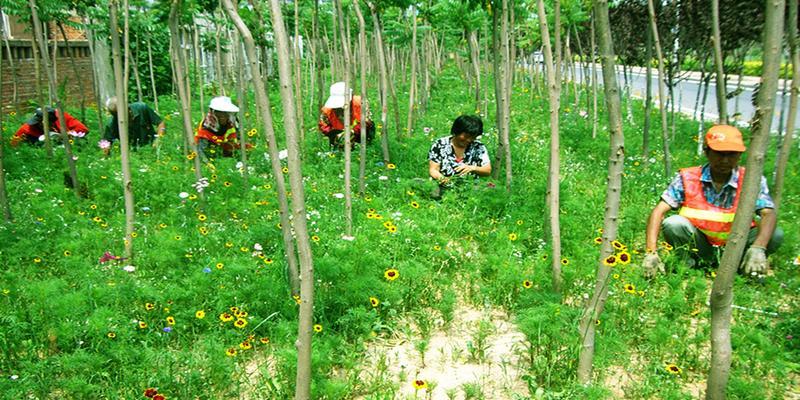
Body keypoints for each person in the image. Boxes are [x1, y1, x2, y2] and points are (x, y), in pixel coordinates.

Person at [643, 125, 783, 278]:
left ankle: (746, 265)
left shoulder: (750, 179)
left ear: (739, 155)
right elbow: (659, 211)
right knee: (674, 224)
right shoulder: (688, 177)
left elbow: (768, 213)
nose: (725, 160)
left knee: (775, 234)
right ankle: (692, 264)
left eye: (731, 155)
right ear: (707, 152)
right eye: (719, 154)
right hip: (701, 246)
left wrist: (758, 247)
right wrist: (651, 252)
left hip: (737, 246)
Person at [427, 115, 492, 196]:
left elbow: (487, 170)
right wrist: (443, 179)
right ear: (457, 131)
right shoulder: (440, 144)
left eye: (473, 137)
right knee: (429, 189)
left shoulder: (478, 147)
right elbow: (433, 170)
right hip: (443, 187)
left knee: (491, 189)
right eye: (466, 136)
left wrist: (472, 168)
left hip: (469, 187)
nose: (469, 140)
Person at [318, 81, 374, 148]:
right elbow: (323, 125)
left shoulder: (360, 103)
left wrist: (353, 131)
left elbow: (367, 121)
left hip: (359, 133)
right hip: (338, 135)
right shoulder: (327, 110)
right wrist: (333, 133)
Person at [195, 96, 243, 162]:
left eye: (225, 113)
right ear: (213, 113)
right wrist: (208, 164)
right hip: (211, 154)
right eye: (219, 112)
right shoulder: (206, 127)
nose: (222, 116)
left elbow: (235, 141)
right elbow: (200, 151)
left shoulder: (230, 124)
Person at [11, 107, 89, 146]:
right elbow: (14, 143)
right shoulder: (27, 129)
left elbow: (83, 129)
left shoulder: (61, 117)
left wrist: (66, 135)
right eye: (39, 123)